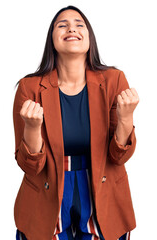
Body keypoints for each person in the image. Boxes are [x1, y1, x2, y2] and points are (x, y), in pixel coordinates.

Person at [13, 5, 139, 240]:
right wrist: (31, 128)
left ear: (89, 37)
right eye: (62, 25)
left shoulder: (114, 80)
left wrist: (126, 119)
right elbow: (30, 166)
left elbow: (119, 156)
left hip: (103, 193)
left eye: (79, 24)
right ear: (52, 39)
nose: (72, 28)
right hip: (46, 195)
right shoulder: (29, 87)